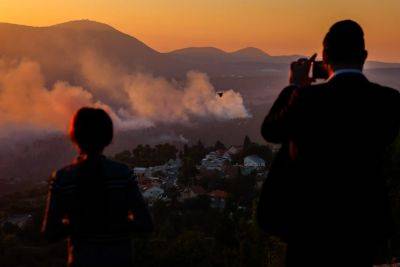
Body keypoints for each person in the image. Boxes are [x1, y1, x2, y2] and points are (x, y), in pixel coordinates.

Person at [258, 20, 400, 266]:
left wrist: (294, 85)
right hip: (363, 227)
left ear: (324, 57)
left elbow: (270, 130)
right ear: (364, 56)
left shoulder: (306, 100)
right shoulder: (389, 101)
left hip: (311, 229)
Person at [42, 107, 153, 267]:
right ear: (108, 138)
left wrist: (80, 224)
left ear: (74, 137)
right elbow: (145, 224)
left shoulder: (64, 179)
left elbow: (50, 233)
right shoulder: (122, 174)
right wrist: (114, 222)